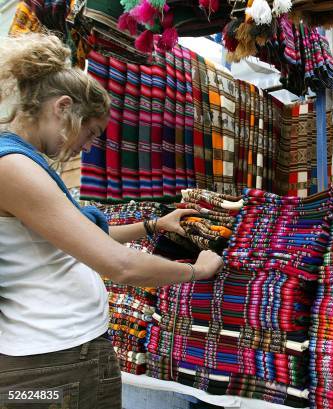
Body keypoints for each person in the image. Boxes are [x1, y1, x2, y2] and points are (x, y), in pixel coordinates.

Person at [0, 34, 223, 408]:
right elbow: (119, 266)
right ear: (63, 107)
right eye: (91, 133)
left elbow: (75, 236)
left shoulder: (21, 162)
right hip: (57, 364)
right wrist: (196, 272)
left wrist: (154, 226)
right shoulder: (14, 167)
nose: (89, 146)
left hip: (51, 357)